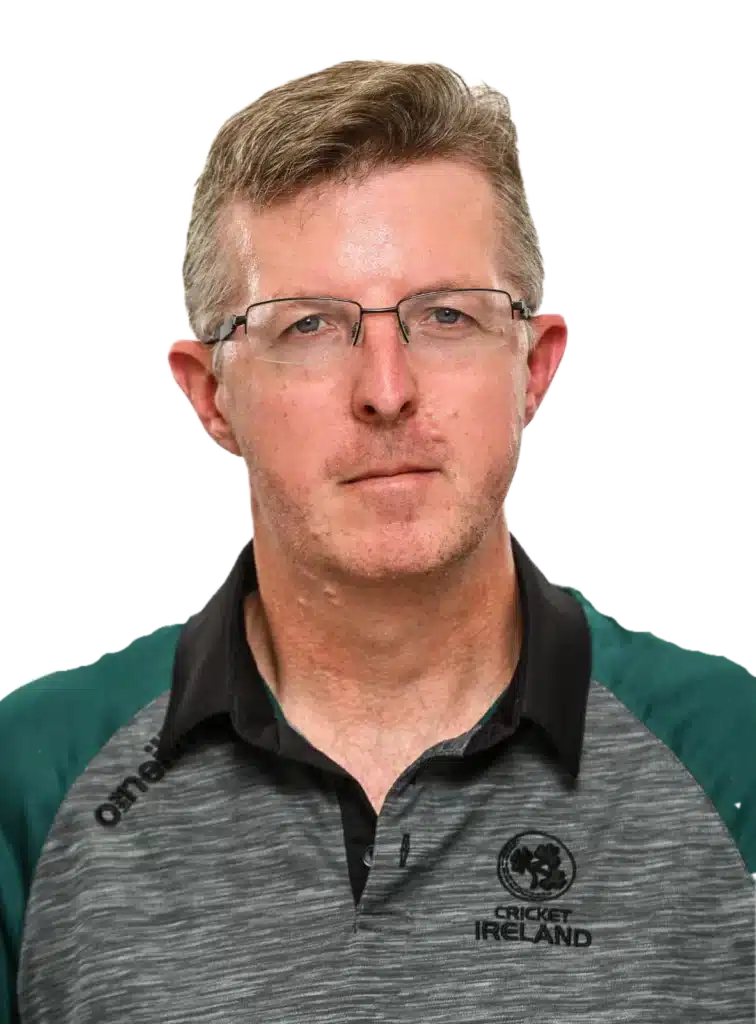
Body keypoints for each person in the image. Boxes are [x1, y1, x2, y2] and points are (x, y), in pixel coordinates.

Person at [1, 58, 753, 1024]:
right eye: (310, 326)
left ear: (534, 366)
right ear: (210, 394)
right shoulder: (30, 779)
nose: (387, 391)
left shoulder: (736, 754)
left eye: (446, 316)